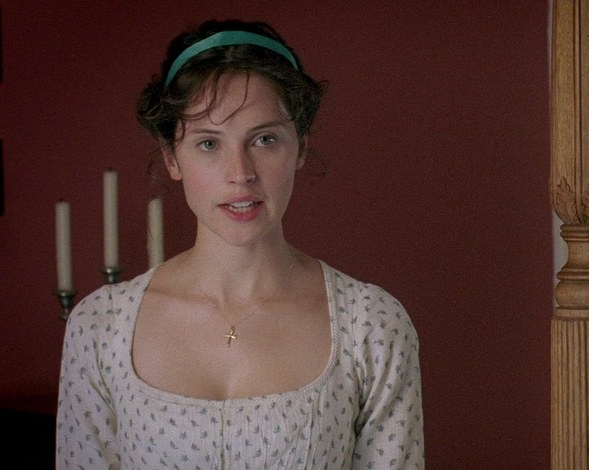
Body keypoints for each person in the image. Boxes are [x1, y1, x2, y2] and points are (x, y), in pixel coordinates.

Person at [56, 19, 424, 469]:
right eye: (209, 143)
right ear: (172, 156)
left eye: (265, 140)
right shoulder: (100, 328)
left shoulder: (372, 327)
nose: (240, 173)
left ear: (300, 148)